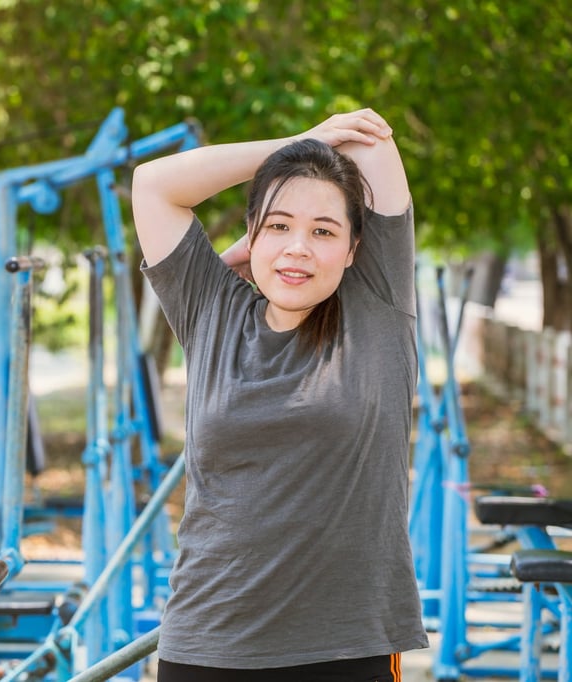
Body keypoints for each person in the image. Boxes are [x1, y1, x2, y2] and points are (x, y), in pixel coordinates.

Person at [132, 108, 429, 681]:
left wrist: (311, 156)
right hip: (205, 647)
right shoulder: (211, 309)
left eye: (323, 231)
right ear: (252, 235)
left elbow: (371, 141)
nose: (298, 247)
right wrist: (297, 144)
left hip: (343, 652)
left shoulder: (377, 307)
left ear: (354, 249)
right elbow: (154, 184)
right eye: (278, 226)